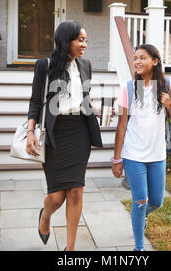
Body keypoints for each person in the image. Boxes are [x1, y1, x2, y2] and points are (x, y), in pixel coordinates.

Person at [26, 21, 103, 251]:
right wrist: (31, 131)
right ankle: (46, 216)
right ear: (65, 40)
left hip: (79, 131)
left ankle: (70, 249)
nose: (84, 45)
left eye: (85, 40)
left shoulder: (85, 65)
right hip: (55, 133)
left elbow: (84, 97)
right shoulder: (44, 66)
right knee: (57, 197)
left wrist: (92, 107)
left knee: (76, 191)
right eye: (80, 40)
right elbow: (36, 101)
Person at [111, 44, 171, 251]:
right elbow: (122, 125)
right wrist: (117, 159)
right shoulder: (130, 88)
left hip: (157, 154)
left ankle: (139, 219)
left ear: (155, 61)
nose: (137, 62)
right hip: (133, 154)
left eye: (142, 58)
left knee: (156, 202)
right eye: (135, 58)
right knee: (140, 200)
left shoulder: (167, 85)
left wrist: (169, 105)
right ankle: (139, 247)